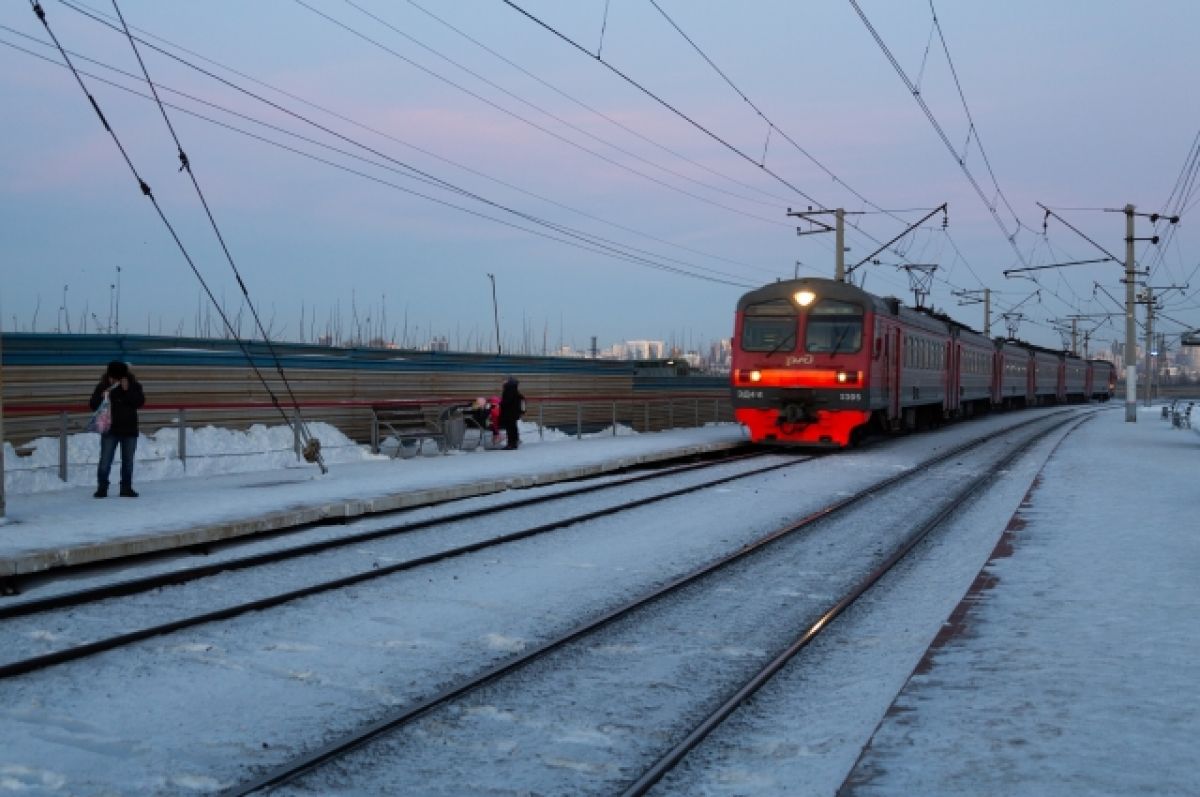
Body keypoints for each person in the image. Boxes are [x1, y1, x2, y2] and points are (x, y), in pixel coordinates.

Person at [90, 360, 145, 498]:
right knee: (105, 461)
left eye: (117, 377)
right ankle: (102, 488)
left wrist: (128, 391)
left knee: (128, 462)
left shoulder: (133, 386)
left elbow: (140, 402)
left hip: (129, 430)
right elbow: (92, 404)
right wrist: (102, 397)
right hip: (110, 430)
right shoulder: (103, 386)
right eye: (112, 376)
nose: (114, 379)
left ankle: (126, 488)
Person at [498, 376, 525, 450]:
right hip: (514, 412)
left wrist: (500, 403)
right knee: (513, 427)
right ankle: (514, 442)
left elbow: (507, 401)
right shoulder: (514, 389)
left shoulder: (509, 389)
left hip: (509, 413)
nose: (503, 382)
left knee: (510, 428)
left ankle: (511, 444)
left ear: (508, 382)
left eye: (504, 381)